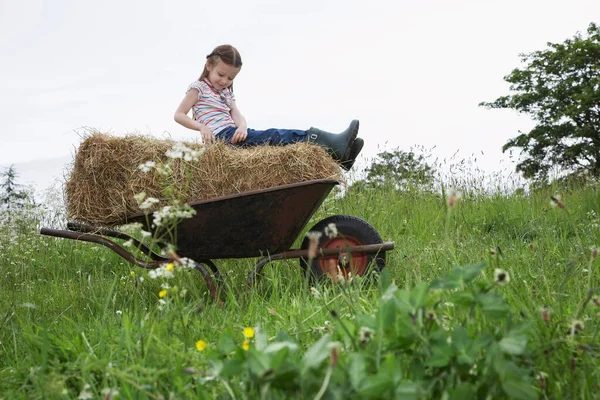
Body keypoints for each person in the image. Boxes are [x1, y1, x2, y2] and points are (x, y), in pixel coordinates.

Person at [174, 44, 363, 170]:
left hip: (234, 133)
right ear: (208, 65)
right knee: (274, 136)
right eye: (221, 74)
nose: (224, 81)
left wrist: (242, 126)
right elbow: (179, 115)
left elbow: (238, 115)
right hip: (221, 139)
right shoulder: (198, 88)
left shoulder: (225, 93)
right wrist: (201, 127)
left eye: (230, 78)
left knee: (273, 140)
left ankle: (340, 156)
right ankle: (323, 140)